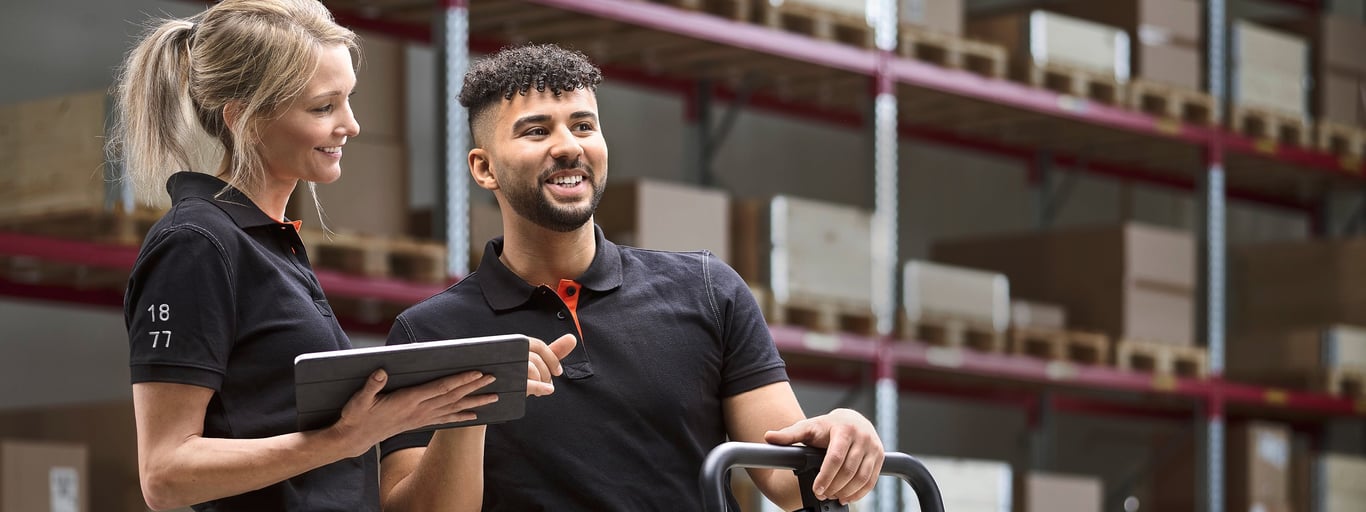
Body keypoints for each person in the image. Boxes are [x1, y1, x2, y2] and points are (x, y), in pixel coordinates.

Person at [378, 43, 885, 511]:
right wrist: (472, 407)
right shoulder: (427, 334)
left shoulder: (708, 291)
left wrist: (843, 432)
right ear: (484, 168)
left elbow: (786, 482)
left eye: (583, 126)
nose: (567, 147)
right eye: (537, 131)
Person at [113, 1, 546, 510]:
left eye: (349, 100)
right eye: (323, 107)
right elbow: (165, 474)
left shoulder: (270, 244)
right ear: (244, 119)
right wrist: (344, 439)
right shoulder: (197, 244)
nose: (352, 125)